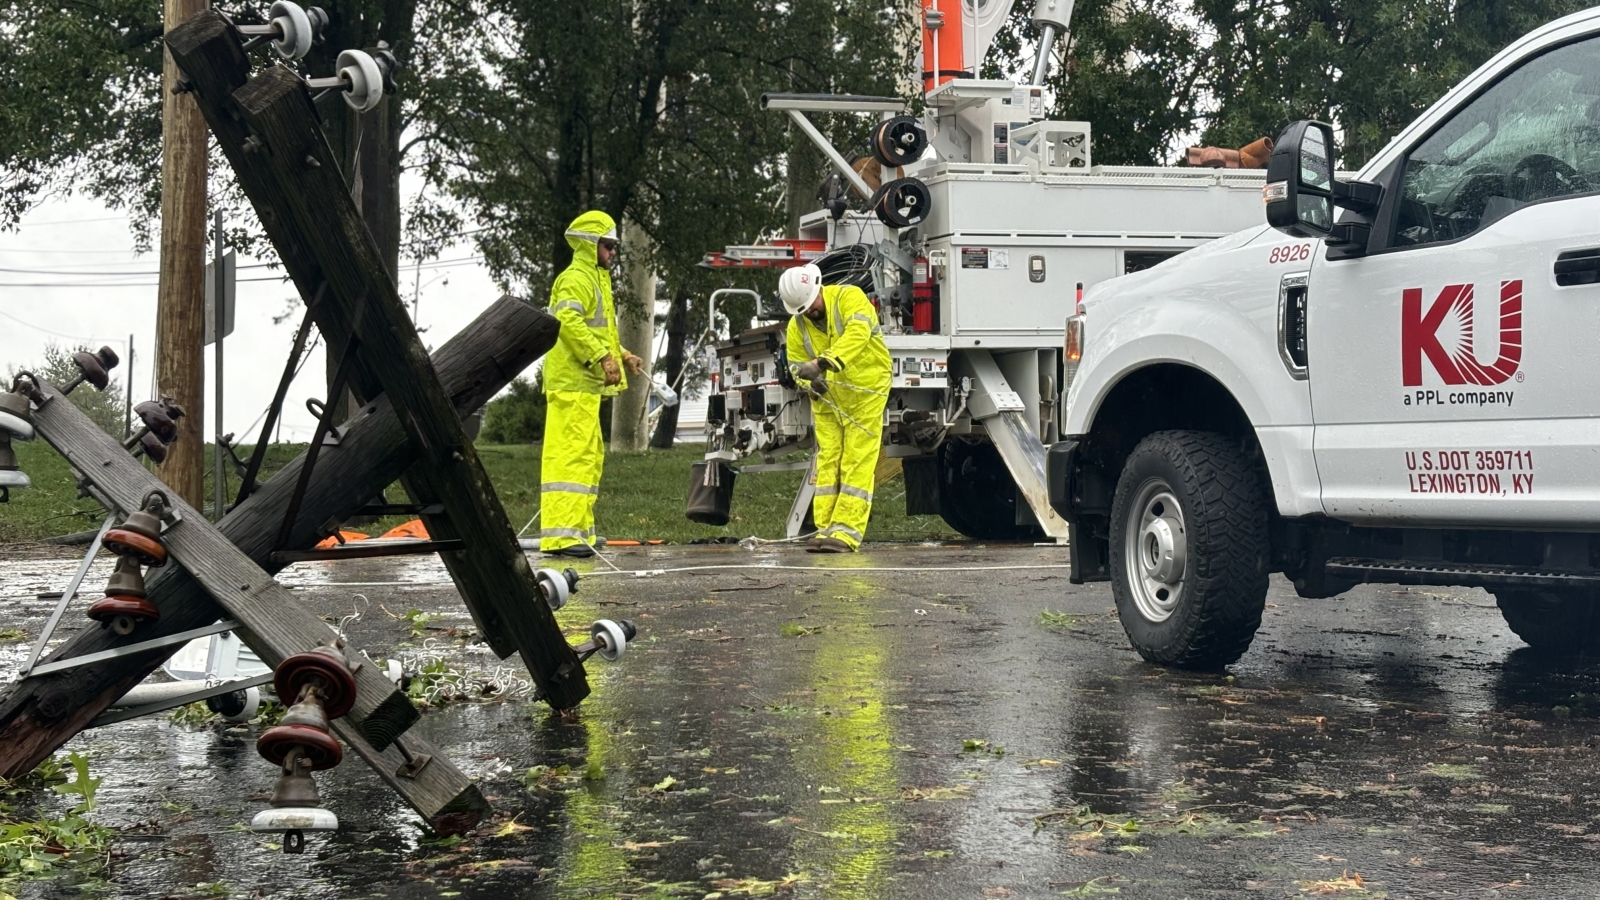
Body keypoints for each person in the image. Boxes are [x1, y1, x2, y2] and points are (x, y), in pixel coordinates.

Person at [540, 210, 644, 558]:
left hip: (582, 383)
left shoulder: (593, 278)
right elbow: (566, 321)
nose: (613, 252)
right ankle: (563, 536)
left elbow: (597, 330)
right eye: (608, 245)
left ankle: (578, 531)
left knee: (586, 456)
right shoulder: (577, 279)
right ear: (590, 244)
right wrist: (601, 357)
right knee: (571, 458)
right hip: (572, 382)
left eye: (614, 247)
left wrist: (622, 355)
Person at [778, 263, 892, 553]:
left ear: (819, 289)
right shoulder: (797, 326)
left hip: (866, 388)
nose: (809, 312)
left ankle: (847, 533)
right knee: (828, 460)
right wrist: (808, 385)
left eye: (810, 304)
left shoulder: (849, 297)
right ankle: (825, 529)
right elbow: (794, 365)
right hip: (828, 397)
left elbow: (858, 333)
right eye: (801, 310)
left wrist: (821, 363)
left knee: (857, 458)